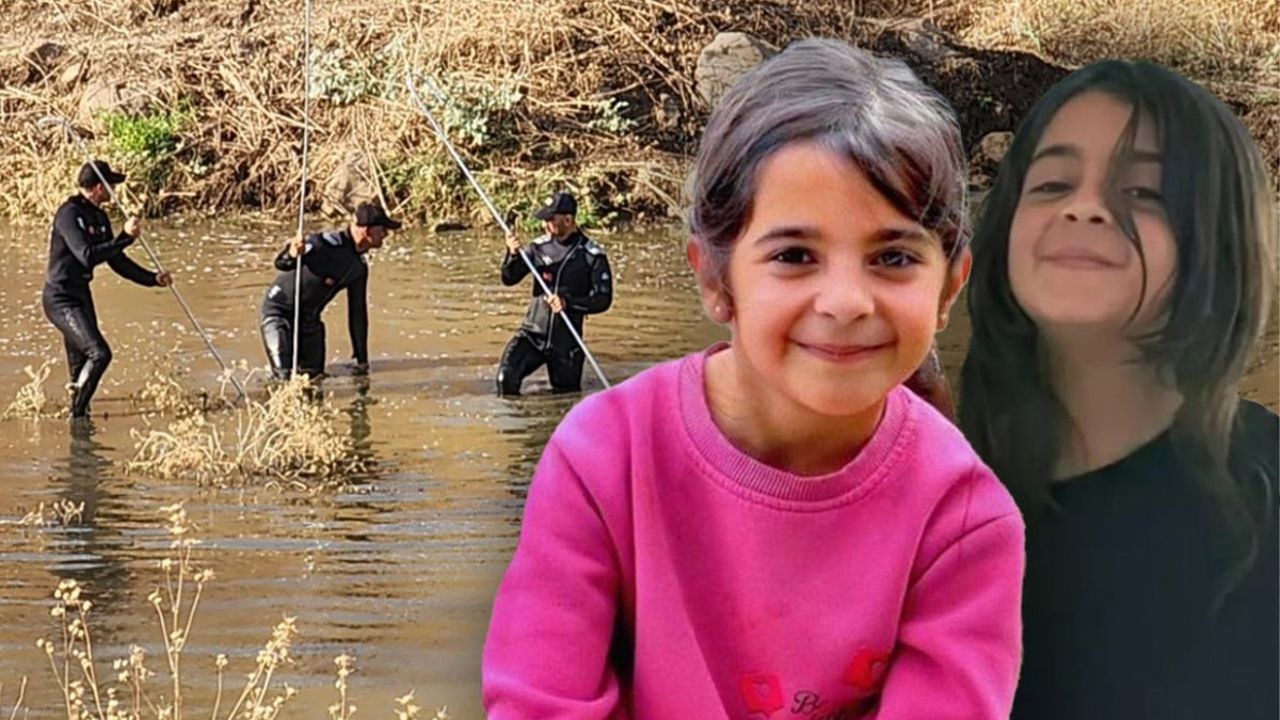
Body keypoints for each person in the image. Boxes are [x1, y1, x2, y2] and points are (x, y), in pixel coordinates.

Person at [483, 39, 1024, 718]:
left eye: (892, 256)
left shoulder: (966, 523)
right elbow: (541, 701)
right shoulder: (602, 459)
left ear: (951, 287)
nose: (846, 301)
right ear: (715, 278)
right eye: (796, 255)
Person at [958, 60, 1278, 719]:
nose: (1085, 206)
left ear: (1217, 242)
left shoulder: (1267, 494)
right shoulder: (933, 495)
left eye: (1146, 193)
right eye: (1051, 182)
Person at [43, 160, 172, 420]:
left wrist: (153, 279)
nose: (115, 190)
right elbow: (87, 256)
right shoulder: (69, 214)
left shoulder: (100, 217)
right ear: (100, 187)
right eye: (111, 185)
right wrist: (125, 238)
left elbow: (117, 261)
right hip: (60, 298)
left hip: (81, 295)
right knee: (99, 354)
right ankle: (76, 416)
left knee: (80, 366)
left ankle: (79, 418)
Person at [260, 202, 399, 380]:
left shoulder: (358, 268)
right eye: (383, 230)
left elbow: (357, 313)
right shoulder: (324, 245)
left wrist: (361, 358)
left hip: (310, 320)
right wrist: (292, 253)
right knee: (284, 378)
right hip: (279, 312)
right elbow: (282, 264)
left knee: (314, 379)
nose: (386, 235)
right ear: (367, 231)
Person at [496, 191, 613, 395]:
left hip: (566, 342)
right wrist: (512, 253)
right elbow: (509, 278)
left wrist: (569, 303)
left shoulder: (592, 255)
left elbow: (603, 300)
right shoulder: (538, 248)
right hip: (533, 334)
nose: (545, 225)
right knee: (505, 379)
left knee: (564, 400)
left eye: (550, 220)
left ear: (568, 220)